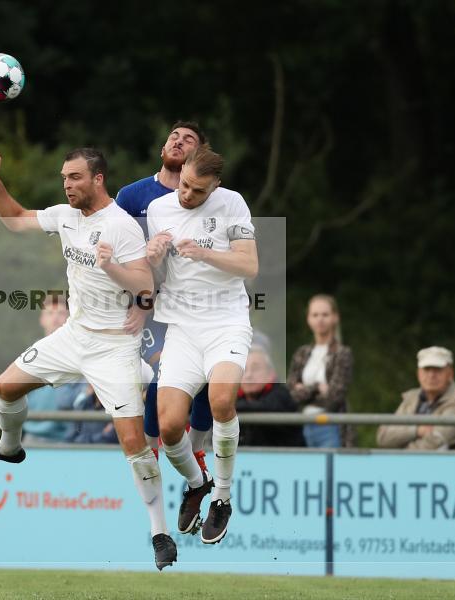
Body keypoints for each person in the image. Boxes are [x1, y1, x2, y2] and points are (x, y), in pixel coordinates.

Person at [0, 147, 177, 570]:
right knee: (4, 386)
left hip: (113, 346)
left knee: (134, 446)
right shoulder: (65, 215)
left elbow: (144, 284)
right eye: (64, 177)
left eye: (75, 177)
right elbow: (15, 218)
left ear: (98, 179)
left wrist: (113, 267)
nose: (67, 185)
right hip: (73, 335)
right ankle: (9, 448)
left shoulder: (121, 226)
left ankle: (160, 532)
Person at [147, 144, 258, 545]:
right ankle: (198, 483)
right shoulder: (160, 209)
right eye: (185, 185)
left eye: (198, 191)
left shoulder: (233, 204)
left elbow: (249, 265)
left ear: (216, 187)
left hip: (226, 322)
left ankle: (223, 498)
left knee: (222, 401)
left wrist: (206, 251)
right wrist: (154, 255)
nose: (187, 195)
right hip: (182, 327)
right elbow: (155, 271)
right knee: (170, 425)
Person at [116, 122, 213, 466]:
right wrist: (141, 303)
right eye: (174, 136)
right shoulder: (131, 196)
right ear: (162, 149)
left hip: (195, 305)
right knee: (161, 374)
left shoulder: (208, 199)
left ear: (197, 157)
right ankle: (151, 450)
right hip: (149, 309)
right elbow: (117, 253)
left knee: (210, 379)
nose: (178, 141)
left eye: (188, 140)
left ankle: (198, 447)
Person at [287, 295, 354, 448]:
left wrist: (304, 390)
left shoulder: (342, 353)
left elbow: (334, 398)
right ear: (308, 319)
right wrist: (318, 387)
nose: (320, 319)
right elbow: (290, 395)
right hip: (301, 423)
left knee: (330, 471)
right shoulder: (302, 353)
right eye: (315, 315)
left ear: (335, 317)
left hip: (330, 424)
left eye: (325, 314)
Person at [376, 346, 455, 450]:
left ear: (450, 374)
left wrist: (401, 452)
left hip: (443, 464)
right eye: (426, 369)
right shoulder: (411, 398)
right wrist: (417, 430)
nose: (431, 375)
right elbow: (383, 437)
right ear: (418, 373)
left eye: (438, 370)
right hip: (404, 461)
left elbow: (437, 441)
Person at [22, 297, 76, 444]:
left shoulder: (80, 354)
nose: (55, 318)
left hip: (68, 439)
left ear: (70, 318)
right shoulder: (28, 355)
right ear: (42, 319)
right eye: (50, 313)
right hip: (32, 436)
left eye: (61, 313)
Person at [237, 347, 305, 447]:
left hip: (287, 459)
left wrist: (227, 406)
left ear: (271, 374)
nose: (248, 375)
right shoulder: (237, 398)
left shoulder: (280, 395)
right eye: (244, 369)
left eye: (255, 369)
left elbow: (264, 407)